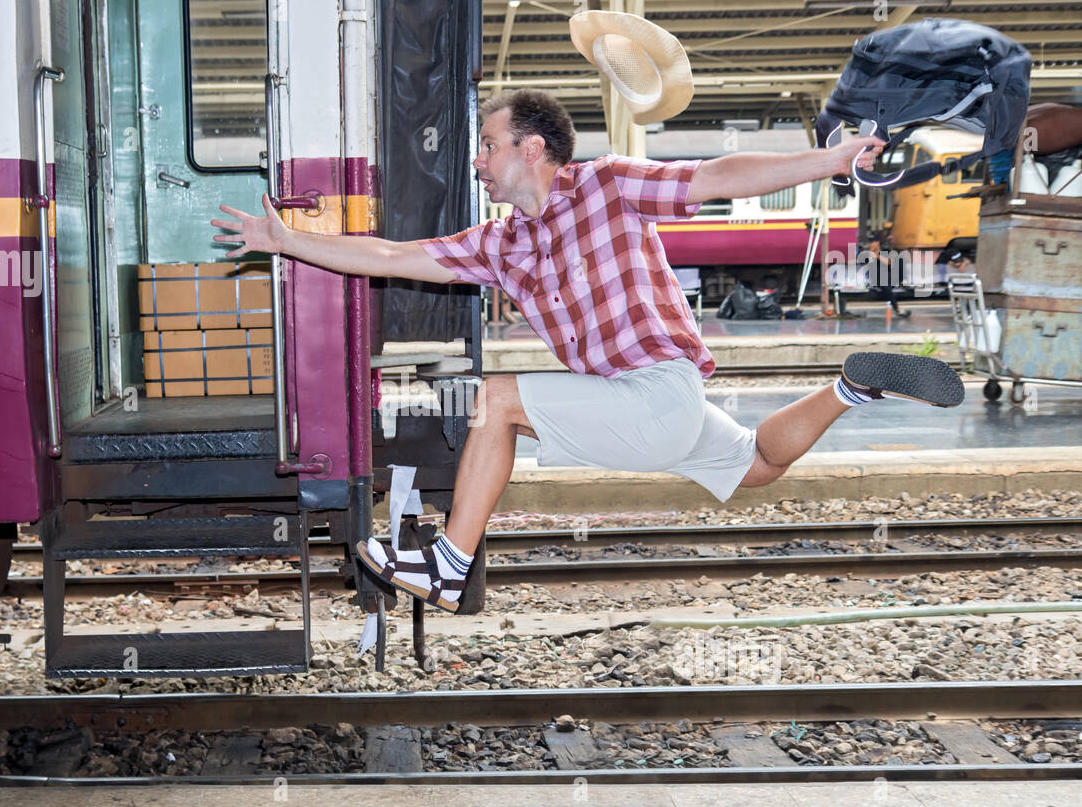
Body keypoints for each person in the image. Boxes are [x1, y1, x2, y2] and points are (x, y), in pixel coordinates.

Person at [212, 90, 963, 613]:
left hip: (658, 391)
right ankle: (853, 389)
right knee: (759, 468)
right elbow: (393, 255)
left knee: (497, 400)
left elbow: (713, 177)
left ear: (532, 148)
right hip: (640, 402)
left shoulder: (606, 185)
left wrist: (828, 163)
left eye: (488, 145)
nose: (477, 160)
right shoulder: (499, 244)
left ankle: (446, 566)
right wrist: (289, 242)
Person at [862, 234, 911, 318]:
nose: (871, 244)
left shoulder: (885, 251)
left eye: (873, 242)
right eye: (870, 242)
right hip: (878, 279)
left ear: (877, 243)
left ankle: (903, 281)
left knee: (900, 260)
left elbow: (890, 262)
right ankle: (898, 310)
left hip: (890, 276)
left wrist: (877, 255)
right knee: (885, 285)